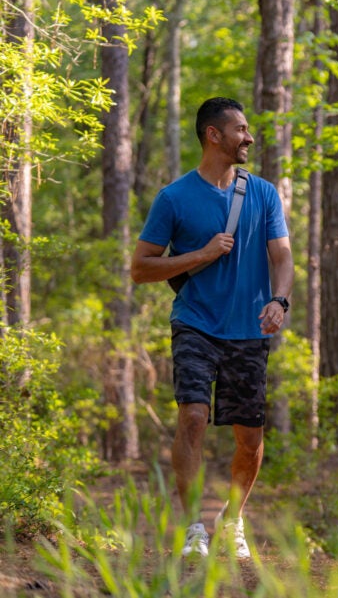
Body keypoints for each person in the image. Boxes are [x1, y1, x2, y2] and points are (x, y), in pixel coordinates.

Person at [131, 97, 294, 560]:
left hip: (249, 329)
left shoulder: (262, 193)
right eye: (241, 129)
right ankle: (191, 529)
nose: (250, 137)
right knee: (193, 417)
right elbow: (141, 268)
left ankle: (232, 519)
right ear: (213, 135)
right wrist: (201, 255)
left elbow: (282, 258)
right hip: (195, 323)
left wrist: (279, 301)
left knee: (250, 438)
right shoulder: (174, 198)